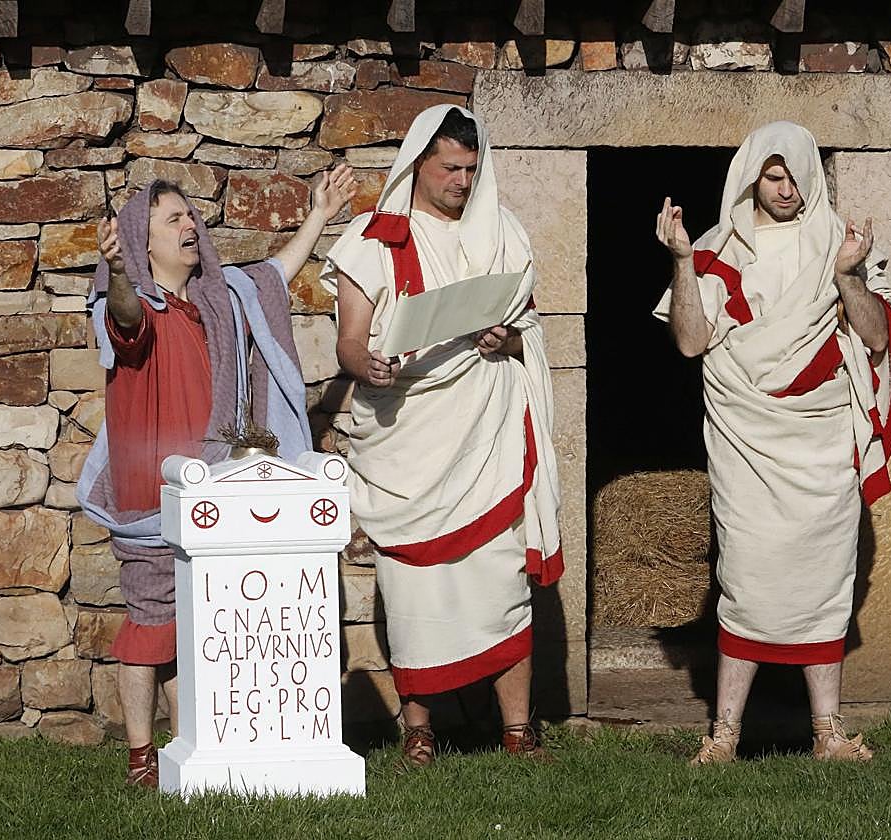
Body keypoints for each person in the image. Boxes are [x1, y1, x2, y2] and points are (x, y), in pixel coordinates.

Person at [78, 166, 357, 787]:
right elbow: (124, 318)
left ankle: (187, 749)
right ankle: (140, 758)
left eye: (190, 215)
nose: (190, 224)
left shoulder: (220, 297)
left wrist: (319, 213)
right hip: (152, 492)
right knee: (152, 620)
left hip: (216, 489)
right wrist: (121, 273)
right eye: (172, 218)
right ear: (140, 240)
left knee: (194, 624)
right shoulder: (135, 305)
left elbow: (274, 276)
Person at [654, 121, 891, 764]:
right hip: (747, 437)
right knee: (746, 575)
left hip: (821, 439)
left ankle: (827, 733)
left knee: (823, 580)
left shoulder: (839, 241)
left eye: (795, 174)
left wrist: (850, 276)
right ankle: (725, 735)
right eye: (772, 175)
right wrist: (683, 262)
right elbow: (689, 341)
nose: (786, 187)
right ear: (751, 178)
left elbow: (875, 338)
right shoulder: (719, 249)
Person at [321, 105, 563, 767]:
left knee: (501, 578)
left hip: (484, 434)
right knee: (412, 592)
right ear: (419, 163)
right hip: (408, 440)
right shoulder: (374, 238)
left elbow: (528, 332)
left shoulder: (502, 232)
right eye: (451, 167)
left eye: (471, 169)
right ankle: (419, 732)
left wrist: (506, 338)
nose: (462, 180)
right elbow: (349, 338)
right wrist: (363, 361)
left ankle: (518, 731)